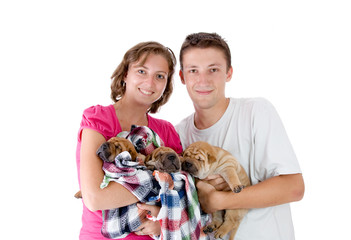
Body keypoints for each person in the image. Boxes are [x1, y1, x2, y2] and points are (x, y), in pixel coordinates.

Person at [175, 32, 305, 240]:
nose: (203, 80)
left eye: (213, 69)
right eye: (193, 70)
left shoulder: (255, 112)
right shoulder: (179, 133)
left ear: (228, 73)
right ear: (182, 77)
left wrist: (218, 201)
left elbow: (293, 188)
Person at [76, 41, 183, 240]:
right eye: (142, 71)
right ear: (125, 74)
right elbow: (95, 198)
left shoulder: (166, 131)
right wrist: (162, 181)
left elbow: (184, 193)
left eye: (160, 76)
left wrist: (163, 226)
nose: (150, 83)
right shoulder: (99, 119)